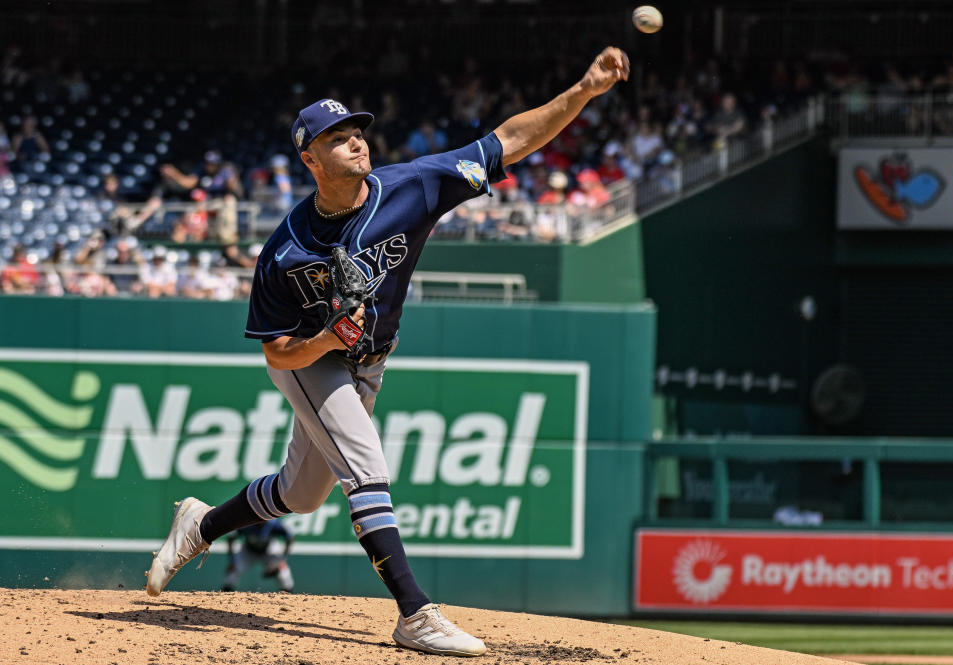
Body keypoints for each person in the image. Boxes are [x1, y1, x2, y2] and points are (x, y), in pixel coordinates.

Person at [145, 46, 630, 658]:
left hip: (371, 361)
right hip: (313, 362)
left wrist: (584, 90)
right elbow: (277, 354)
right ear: (309, 158)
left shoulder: (412, 187)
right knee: (367, 471)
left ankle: (201, 523)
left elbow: (507, 140)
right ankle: (415, 614)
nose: (355, 142)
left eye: (356, 131)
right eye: (336, 137)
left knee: (300, 495)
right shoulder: (284, 251)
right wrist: (322, 339)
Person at [221, 519, 296, 593]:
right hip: (248, 550)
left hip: (269, 548)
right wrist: (232, 560)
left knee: (284, 573)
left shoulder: (274, 523)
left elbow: (290, 537)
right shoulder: (246, 523)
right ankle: (225, 600)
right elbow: (230, 538)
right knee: (232, 573)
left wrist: (282, 559)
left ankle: (289, 598)